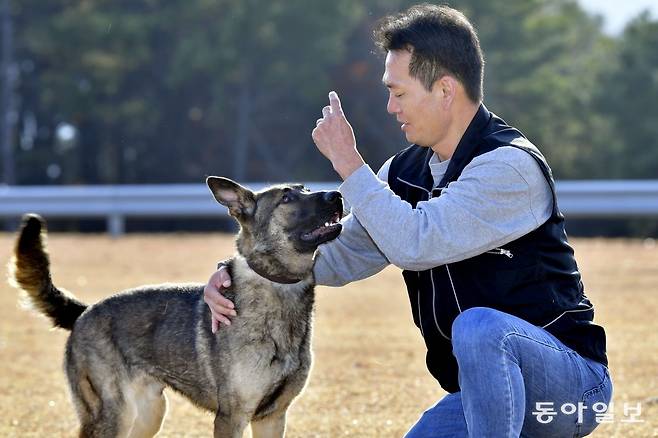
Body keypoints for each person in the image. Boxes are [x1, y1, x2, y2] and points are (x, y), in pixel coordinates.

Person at [204, 4, 612, 437]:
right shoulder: (400, 173)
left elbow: (417, 243)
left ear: (445, 90)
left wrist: (348, 162)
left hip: (570, 393)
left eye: (398, 93)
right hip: (480, 396)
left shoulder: (509, 167)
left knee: (478, 326)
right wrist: (237, 275)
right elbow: (336, 257)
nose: (389, 107)